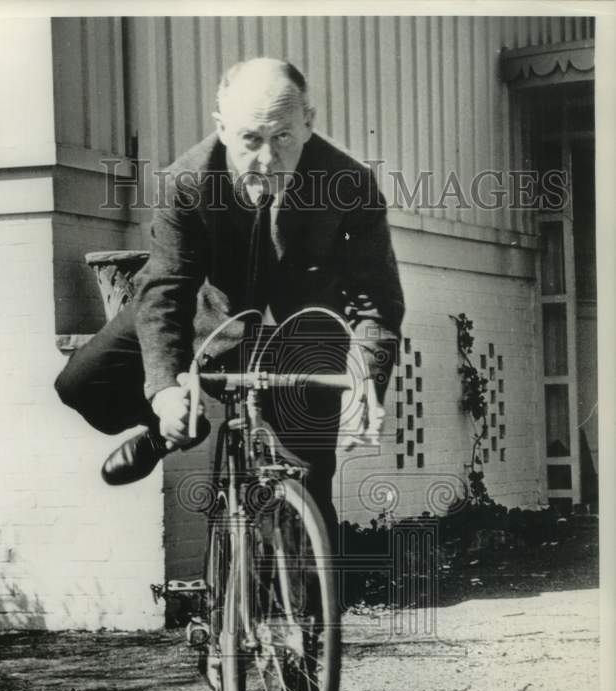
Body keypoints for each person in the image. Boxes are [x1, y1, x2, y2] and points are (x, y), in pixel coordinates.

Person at [55, 57, 405, 528]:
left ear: (308, 123)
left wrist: (365, 383)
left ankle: (313, 598)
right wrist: (164, 393)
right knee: (81, 382)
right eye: (250, 139)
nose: (266, 158)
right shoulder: (186, 182)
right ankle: (171, 433)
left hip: (305, 338)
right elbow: (166, 290)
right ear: (222, 129)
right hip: (207, 322)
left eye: (282, 136)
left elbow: (376, 300)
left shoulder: (351, 183)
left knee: (311, 489)